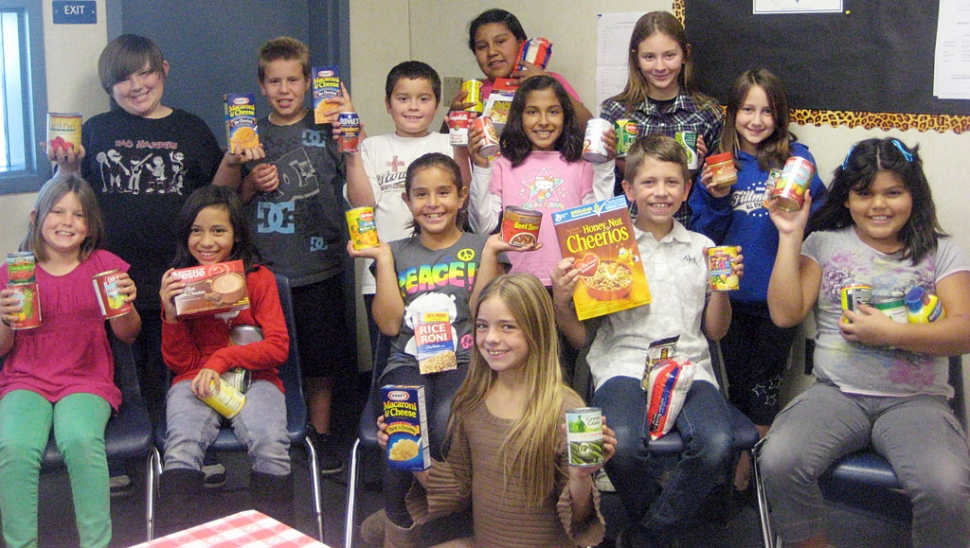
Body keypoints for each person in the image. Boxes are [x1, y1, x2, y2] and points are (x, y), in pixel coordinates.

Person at [48, 35, 238, 490]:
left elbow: (219, 195)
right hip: (112, 276)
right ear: (109, 87)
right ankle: (120, 456)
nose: (136, 85)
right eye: (123, 78)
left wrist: (236, 160)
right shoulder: (94, 130)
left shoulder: (192, 128)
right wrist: (65, 166)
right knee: (116, 369)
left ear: (164, 71)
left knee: (187, 365)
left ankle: (192, 446)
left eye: (145, 72)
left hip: (183, 274)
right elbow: (66, 200)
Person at [760, 137, 970, 548]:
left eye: (893, 192)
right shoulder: (824, 244)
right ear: (847, 198)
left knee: (945, 487)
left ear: (914, 194)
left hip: (917, 401)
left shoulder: (941, 251)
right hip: (836, 395)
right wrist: (790, 234)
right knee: (780, 460)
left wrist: (891, 334)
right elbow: (785, 314)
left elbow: (964, 331)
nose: (879, 205)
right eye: (865, 193)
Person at [553, 135, 743, 547]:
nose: (661, 192)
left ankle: (646, 534)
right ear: (629, 190)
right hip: (624, 362)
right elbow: (581, 337)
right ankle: (659, 531)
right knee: (619, 443)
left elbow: (715, 332)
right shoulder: (605, 248)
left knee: (717, 443)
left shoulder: (703, 247)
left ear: (687, 188)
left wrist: (722, 288)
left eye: (672, 182)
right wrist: (563, 300)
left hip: (690, 364)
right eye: (649, 182)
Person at [349, 152, 524, 546]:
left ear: (462, 197)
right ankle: (400, 523)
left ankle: (443, 516)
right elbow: (391, 325)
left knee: (446, 417)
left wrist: (491, 257)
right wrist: (382, 260)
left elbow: (483, 315)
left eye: (443, 192)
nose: (433, 203)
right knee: (403, 418)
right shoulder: (393, 250)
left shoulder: (483, 244)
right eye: (421, 194)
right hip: (407, 360)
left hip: (465, 359)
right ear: (407, 201)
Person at [374, 273, 616, 547]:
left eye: (507, 327)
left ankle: (381, 523)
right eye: (482, 326)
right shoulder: (471, 400)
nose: (491, 338)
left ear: (536, 331)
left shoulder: (565, 408)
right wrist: (409, 453)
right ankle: (382, 523)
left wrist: (580, 477)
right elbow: (457, 491)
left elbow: (581, 523)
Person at [688, 68, 828, 494]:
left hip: (778, 298)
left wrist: (803, 201)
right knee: (733, 383)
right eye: (747, 109)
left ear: (780, 117)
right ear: (733, 114)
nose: (756, 119)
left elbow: (817, 216)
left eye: (767, 111)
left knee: (766, 386)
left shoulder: (795, 160)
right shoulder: (721, 165)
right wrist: (712, 196)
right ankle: (734, 461)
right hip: (730, 296)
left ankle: (755, 469)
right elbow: (704, 232)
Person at [225, 36, 353, 475]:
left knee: (321, 357)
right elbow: (226, 202)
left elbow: (357, 170)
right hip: (264, 269)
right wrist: (250, 185)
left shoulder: (328, 127)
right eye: (274, 81)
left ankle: (319, 434)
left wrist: (351, 123)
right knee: (265, 354)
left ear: (307, 82)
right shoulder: (247, 134)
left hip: (319, 263)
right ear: (261, 86)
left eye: (293, 80)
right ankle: (273, 429)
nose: (284, 89)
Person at [0, 174, 141, 548]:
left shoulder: (105, 265)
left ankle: (96, 542)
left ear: (90, 225)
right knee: (14, 446)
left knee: (80, 439)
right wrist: (2, 319)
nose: (67, 221)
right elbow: (2, 348)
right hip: (24, 378)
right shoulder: (15, 272)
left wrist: (124, 305)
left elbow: (128, 335)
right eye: (57, 212)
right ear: (36, 217)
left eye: (78, 215)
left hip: (86, 378)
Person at [157, 186, 291, 532]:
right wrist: (170, 316)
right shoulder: (177, 283)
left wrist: (220, 360)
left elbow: (278, 348)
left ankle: (275, 538)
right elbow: (181, 364)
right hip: (195, 381)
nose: (207, 241)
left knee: (270, 443)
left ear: (236, 234)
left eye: (218, 230)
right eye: (196, 231)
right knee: (181, 444)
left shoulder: (259, 279)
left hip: (256, 378)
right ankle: (179, 538)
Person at [343, 60, 471, 366]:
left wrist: (463, 147)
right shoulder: (372, 146)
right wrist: (351, 153)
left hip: (441, 275)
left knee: (439, 362)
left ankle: (438, 414)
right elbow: (363, 205)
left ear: (437, 105)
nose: (413, 107)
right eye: (403, 98)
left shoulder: (447, 143)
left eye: (423, 99)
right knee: (390, 363)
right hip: (384, 278)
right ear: (388, 105)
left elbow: (463, 196)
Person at [468, 75, 614, 287]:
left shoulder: (581, 165)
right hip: (516, 284)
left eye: (553, 111)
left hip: (571, 280)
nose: (543, 121)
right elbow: (482, 227)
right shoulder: (502, 164)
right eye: (532, 112)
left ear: (565, 116)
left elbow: (600, 224)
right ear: (519, 117)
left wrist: (604, 167)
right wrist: (481, 167)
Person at [599, 11, 723, 219]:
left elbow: (715, 194)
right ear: (635, 58)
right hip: (630, 233)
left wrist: (698, 170)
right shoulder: (616, 111)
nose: (660, 66)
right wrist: (610, 161)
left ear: (685, 54)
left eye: (669, 55)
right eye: (649, 57)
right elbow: (602, 184)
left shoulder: (707, 113)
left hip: (686, 231)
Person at [449, 8, 593, 128]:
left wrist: (550, 84)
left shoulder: (549, 81)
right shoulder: (473, 91)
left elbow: (587, 126)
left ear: (520, 42)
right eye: (482, 47)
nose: (492, 52)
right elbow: (446, 142)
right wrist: (455, 114)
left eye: (500, 41)